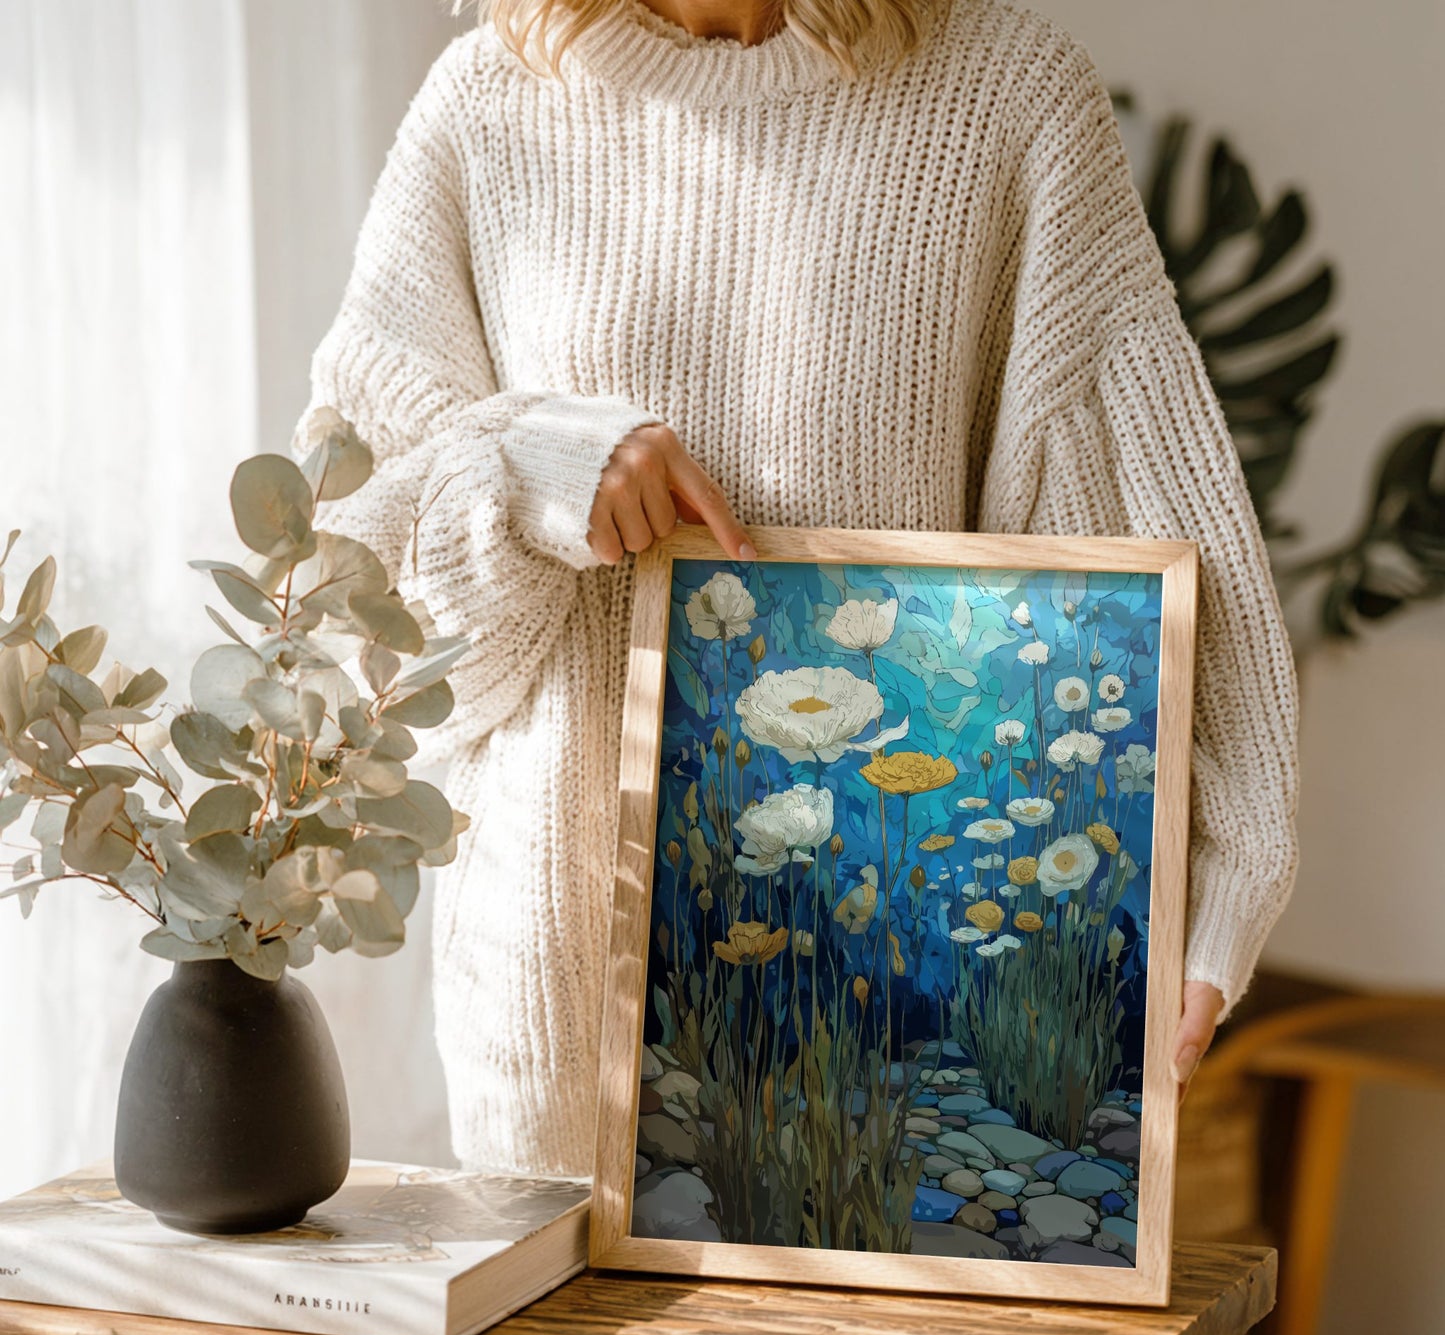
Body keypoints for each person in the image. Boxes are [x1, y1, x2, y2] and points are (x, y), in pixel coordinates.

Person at [289, 0, 1299, 1180]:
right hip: (554, 1004)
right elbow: (344, 598)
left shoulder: (1006, 95)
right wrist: (528, 462)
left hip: (900, 1008)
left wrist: (1215, 877)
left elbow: (1131, 523)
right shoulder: (484, 106)